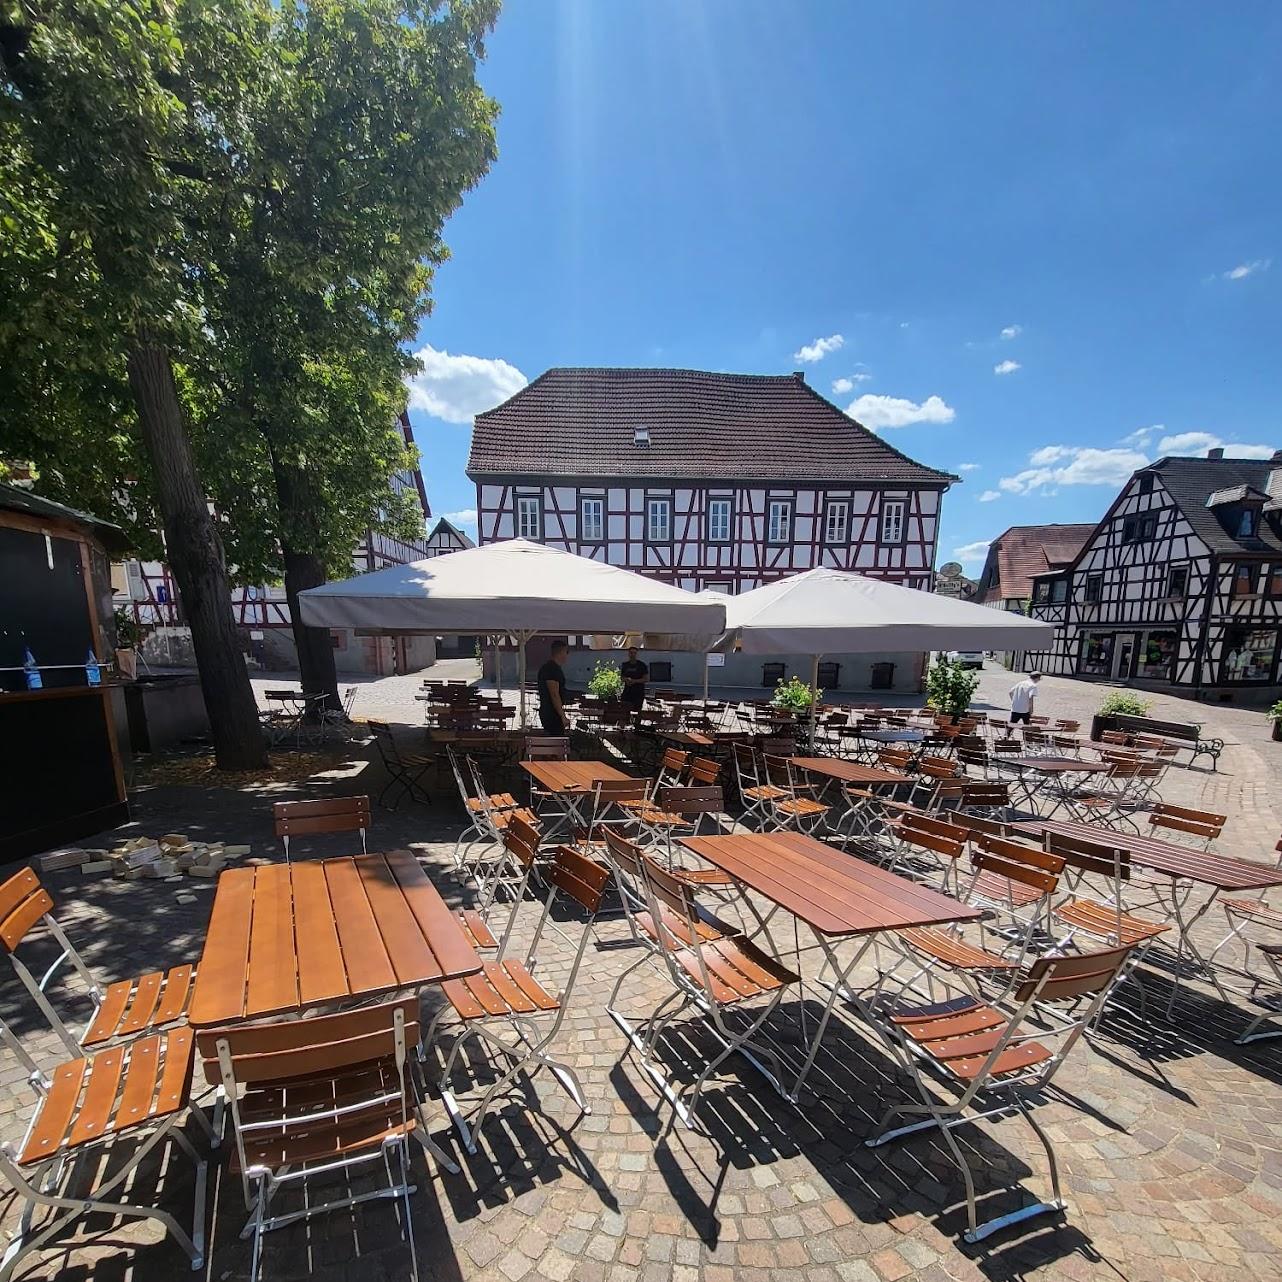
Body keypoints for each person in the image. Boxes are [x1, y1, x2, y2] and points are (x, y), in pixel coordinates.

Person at [537, 640, 571, 735]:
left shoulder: (549, 668)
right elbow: (554, 694)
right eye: (566, 652)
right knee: (556, 742)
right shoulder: (552, 669)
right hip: (551, 713)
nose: (567, 656)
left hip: (548, 712)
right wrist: (562, 716)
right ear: (561, 652)